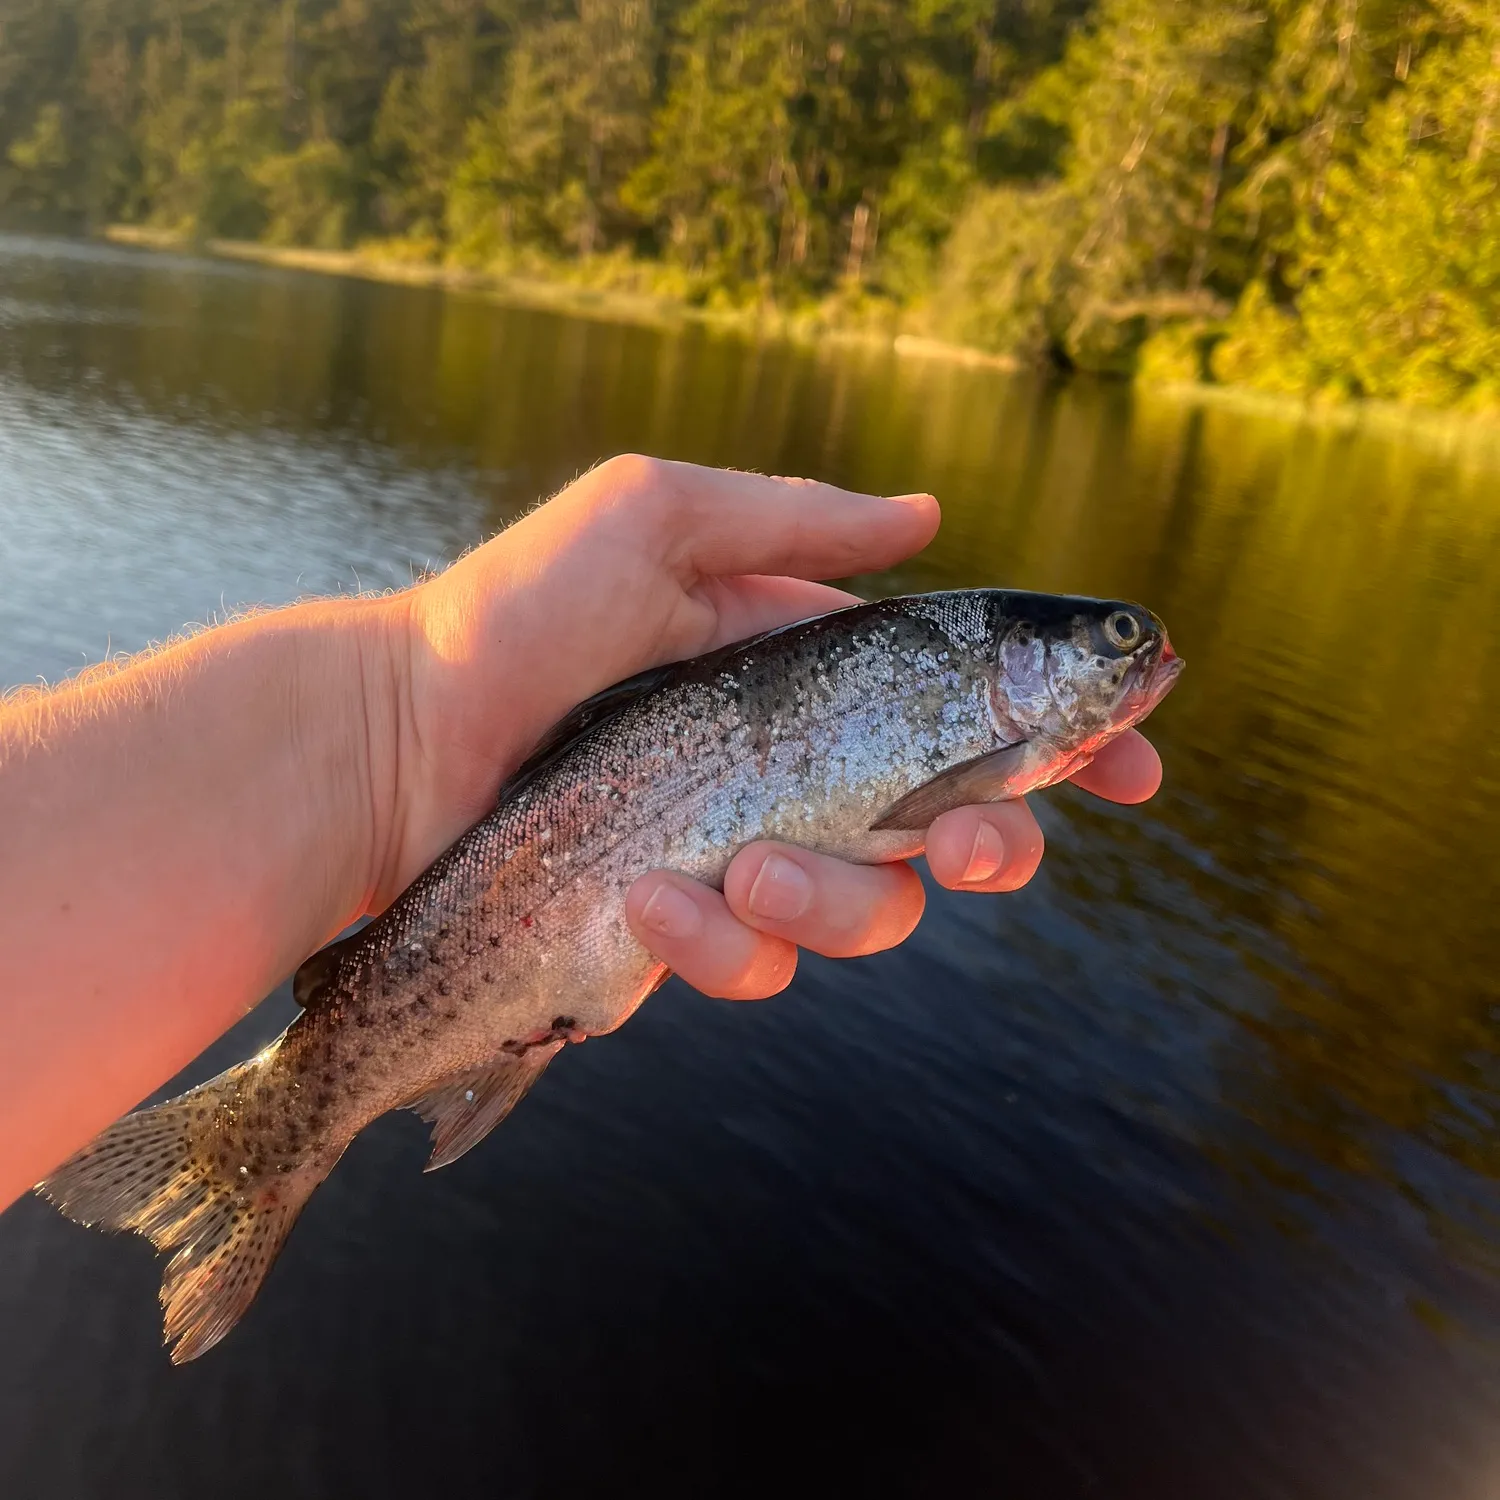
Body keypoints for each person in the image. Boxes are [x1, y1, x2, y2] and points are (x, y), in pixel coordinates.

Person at [0, 456, 1161, 1213]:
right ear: (1026, 660)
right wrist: (398, 710)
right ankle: (287, 1120)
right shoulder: (985, 717)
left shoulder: (990, 707)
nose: (1131, 652)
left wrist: (388, 730)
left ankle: (322, 1109)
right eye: (1112, 640)